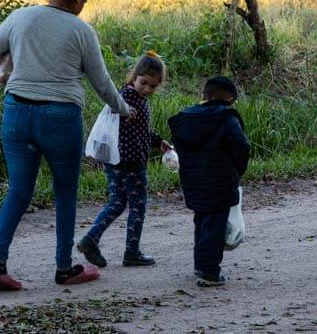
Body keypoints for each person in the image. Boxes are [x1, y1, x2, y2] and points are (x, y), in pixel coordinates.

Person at [0, 0, 131, 290]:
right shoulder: (81, 31)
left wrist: (10, 63)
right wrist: (123, 108)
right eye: (84, 0)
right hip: (61, 119)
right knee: (65, 193)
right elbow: (101, 82)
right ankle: (64, 268)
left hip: (17, 113)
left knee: (19, 190)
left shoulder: (21, 17)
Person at [77, 52, 172, 268]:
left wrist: (158, 142)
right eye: (143, 83)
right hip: (130, 163)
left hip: (116, 162)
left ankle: (91, 239)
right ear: (135, 76)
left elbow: (141, 130)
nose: (147, 89)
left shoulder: (134, 97)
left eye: (152, 86)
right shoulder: (128, 96)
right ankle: (132, 251)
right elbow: (115, 107)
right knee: (138, 206)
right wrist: (123, 108)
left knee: (117, 202)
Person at [168, 76, 250, 287]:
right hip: (220, 181)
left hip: (193, 182)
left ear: (205, 95)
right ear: (230, 99)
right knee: (215, 226)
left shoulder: (185, 119)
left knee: (201, 222)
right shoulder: (227, 119)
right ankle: (209, 271)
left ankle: (200, 264)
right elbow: (242, 147)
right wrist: (236, 170)